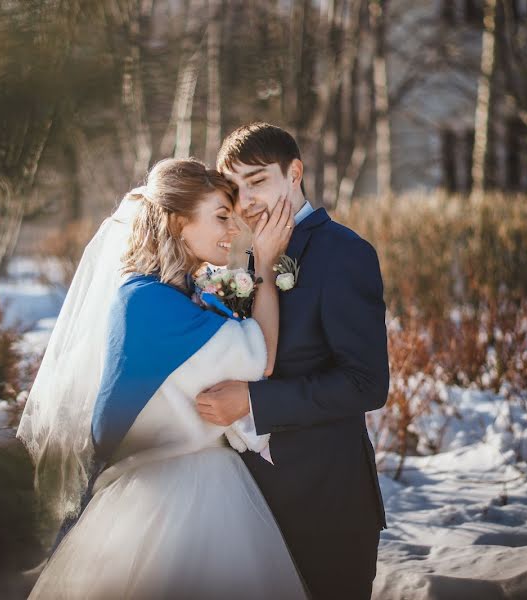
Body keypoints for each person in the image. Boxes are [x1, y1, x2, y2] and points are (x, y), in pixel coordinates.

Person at [17, 158, 307, 599]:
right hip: (178, 498)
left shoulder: (166, 295)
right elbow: (259, 357)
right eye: (221, 216)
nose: (234, 229)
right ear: (176, 222)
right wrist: (264, 268)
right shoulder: (149, 304)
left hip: (181, 482)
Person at [195, 122, 389, 600]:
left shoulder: (344, 253)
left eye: (258, 181)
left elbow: (366, 383)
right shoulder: (249, 258)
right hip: (255, 504)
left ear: (294, 172)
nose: (247, 201)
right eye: (235, 189)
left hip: (327, 505)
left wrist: (253, 401)